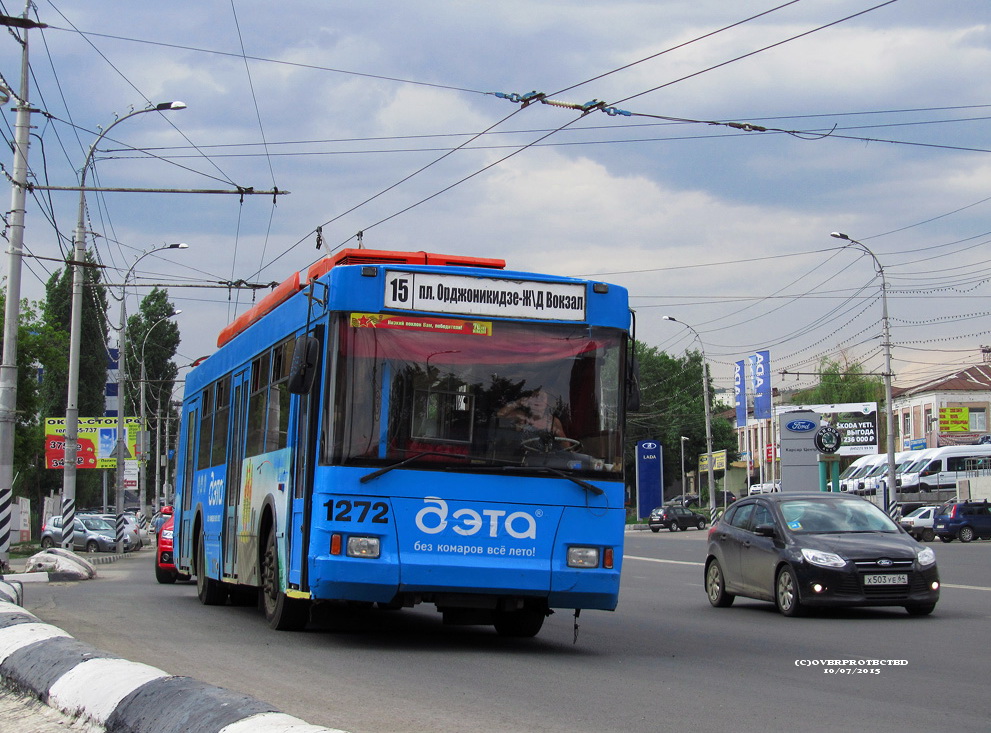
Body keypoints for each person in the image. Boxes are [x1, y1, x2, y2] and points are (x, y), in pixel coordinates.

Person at [497, 388, 566, 438]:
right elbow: (500, 414)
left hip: (546, 457)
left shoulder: (553, 421)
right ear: (529, 401)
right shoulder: (521, 416)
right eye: (535, 397)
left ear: (547, 403)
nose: (538, 401)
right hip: (522, 456)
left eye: (542, 398)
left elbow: (565, 443)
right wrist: (518, 402)